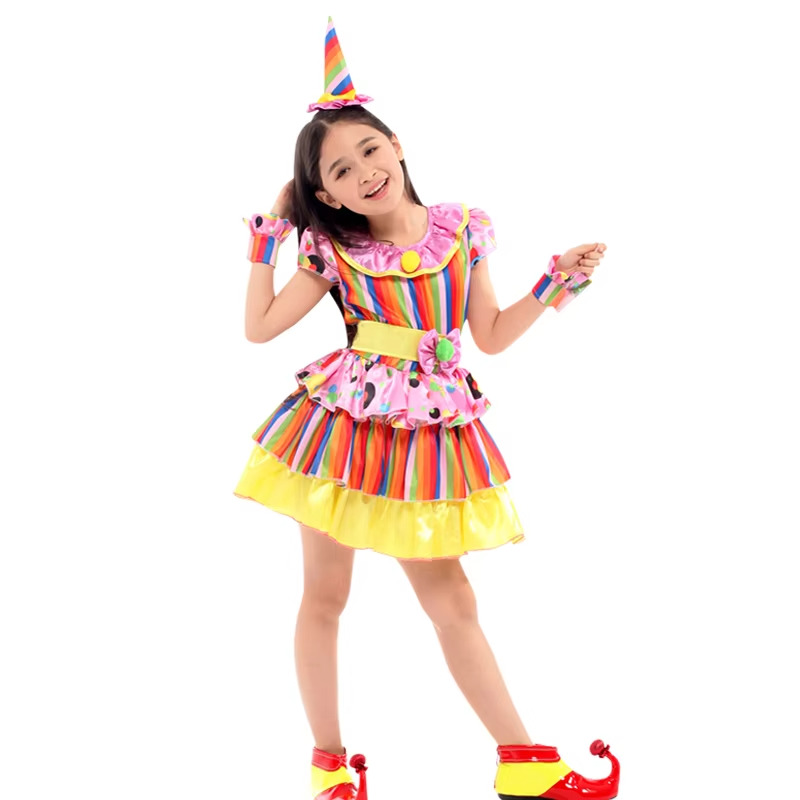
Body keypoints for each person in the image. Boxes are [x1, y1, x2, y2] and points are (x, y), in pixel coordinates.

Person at [234, 17, 619, 800]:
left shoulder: (462, 229)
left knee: (451, 598)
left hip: (425, 435)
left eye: (369, 150)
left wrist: (555, 284)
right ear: (326, 195)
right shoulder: (333, 251)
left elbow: (490, 336)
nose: (364, 172)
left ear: (397, 144)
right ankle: (330, 767)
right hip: (344, 427)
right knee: (326, 595)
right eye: (341, 170)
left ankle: (522, 762)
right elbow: (260, 328)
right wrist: (268, 240)